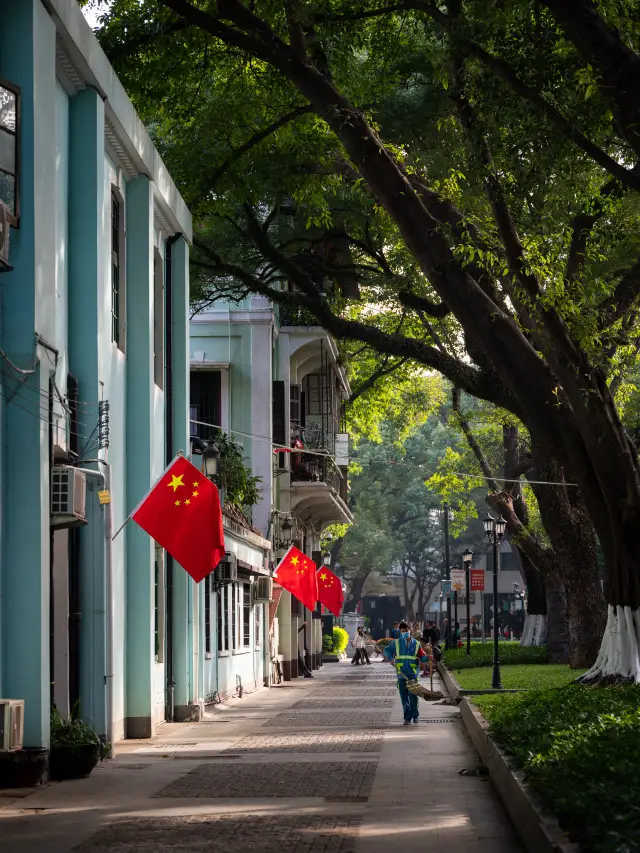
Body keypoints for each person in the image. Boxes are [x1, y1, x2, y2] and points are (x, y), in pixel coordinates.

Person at [384, 621, 428, 725]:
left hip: (412, 674)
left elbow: (423, 657)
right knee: (404, 697)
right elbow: (387, 650)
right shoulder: (396, 643)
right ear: (400, 631)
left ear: (410, 630)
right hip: (401, 674)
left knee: (413, 695)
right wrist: (391, 659)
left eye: (406, 630)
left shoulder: (416, 644)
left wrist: (429, 657)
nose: (404, 632)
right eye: (402, 631)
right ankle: (407, 718)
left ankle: (415, 716)